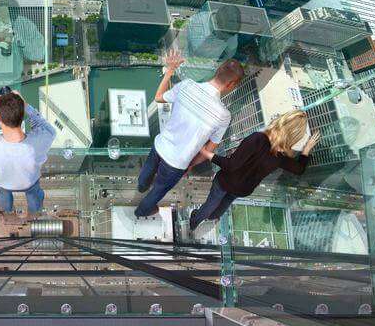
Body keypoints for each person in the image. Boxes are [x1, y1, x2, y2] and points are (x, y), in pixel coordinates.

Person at [135, 49, 244, 217]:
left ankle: (141, 186)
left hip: (160, 145)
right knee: (157, 191)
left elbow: (158, 97)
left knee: (147, 173)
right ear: (231, 85)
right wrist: (191, 165)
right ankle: (142, 211)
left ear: (217, 71)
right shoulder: (223, 116)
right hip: (177, 163)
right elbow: (209, 150)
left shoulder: (187, 85)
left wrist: (170, 71)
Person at [189, 110, 320, 230]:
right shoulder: (281, 157)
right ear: (294, 137)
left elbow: (230, 165)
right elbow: (299, 170)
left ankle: (195, 220)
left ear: (281, 121)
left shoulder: (257, 138)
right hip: (244, 189)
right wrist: (306, 150)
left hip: (226, 180)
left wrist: (205, 152)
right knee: (225, 202)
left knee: (212, 202)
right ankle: (213, 218)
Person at [0, 90, 56, 216]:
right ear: (22, 115)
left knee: (4, 196)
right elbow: (46, 128)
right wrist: (26, 107)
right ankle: (35, 214)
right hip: (29, 181)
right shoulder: (37, 143)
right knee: (34, 196)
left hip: (3, 183)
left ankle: (7, 213)